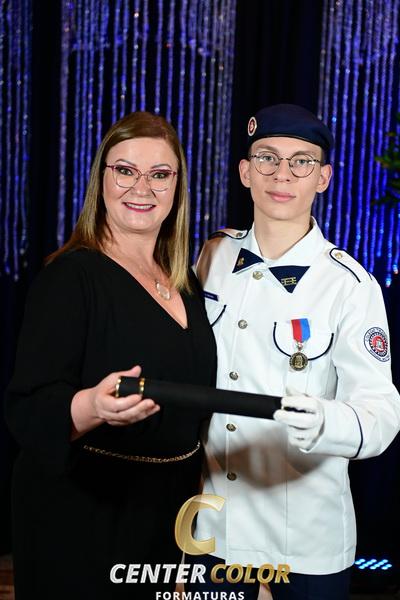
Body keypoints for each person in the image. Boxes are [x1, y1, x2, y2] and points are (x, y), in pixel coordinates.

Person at [188, 104, 400, 600]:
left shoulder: (349, 285)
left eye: (301, 162)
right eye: (267, 157)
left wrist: (325, 420)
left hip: (302, 543)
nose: (282, 174)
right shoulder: (212, 255)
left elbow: (381, 412)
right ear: (245, 171)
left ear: (323, 178)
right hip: (213, 530)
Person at [5, 111, 217, 599]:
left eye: (159, 174)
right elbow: (29, 405)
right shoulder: (70, 278)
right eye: (125, 170)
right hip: (83, 518)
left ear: (177, 186)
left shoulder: (185, 283)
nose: (141, 188)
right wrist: (93, 406)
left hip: (165, 514)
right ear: (102, 177)